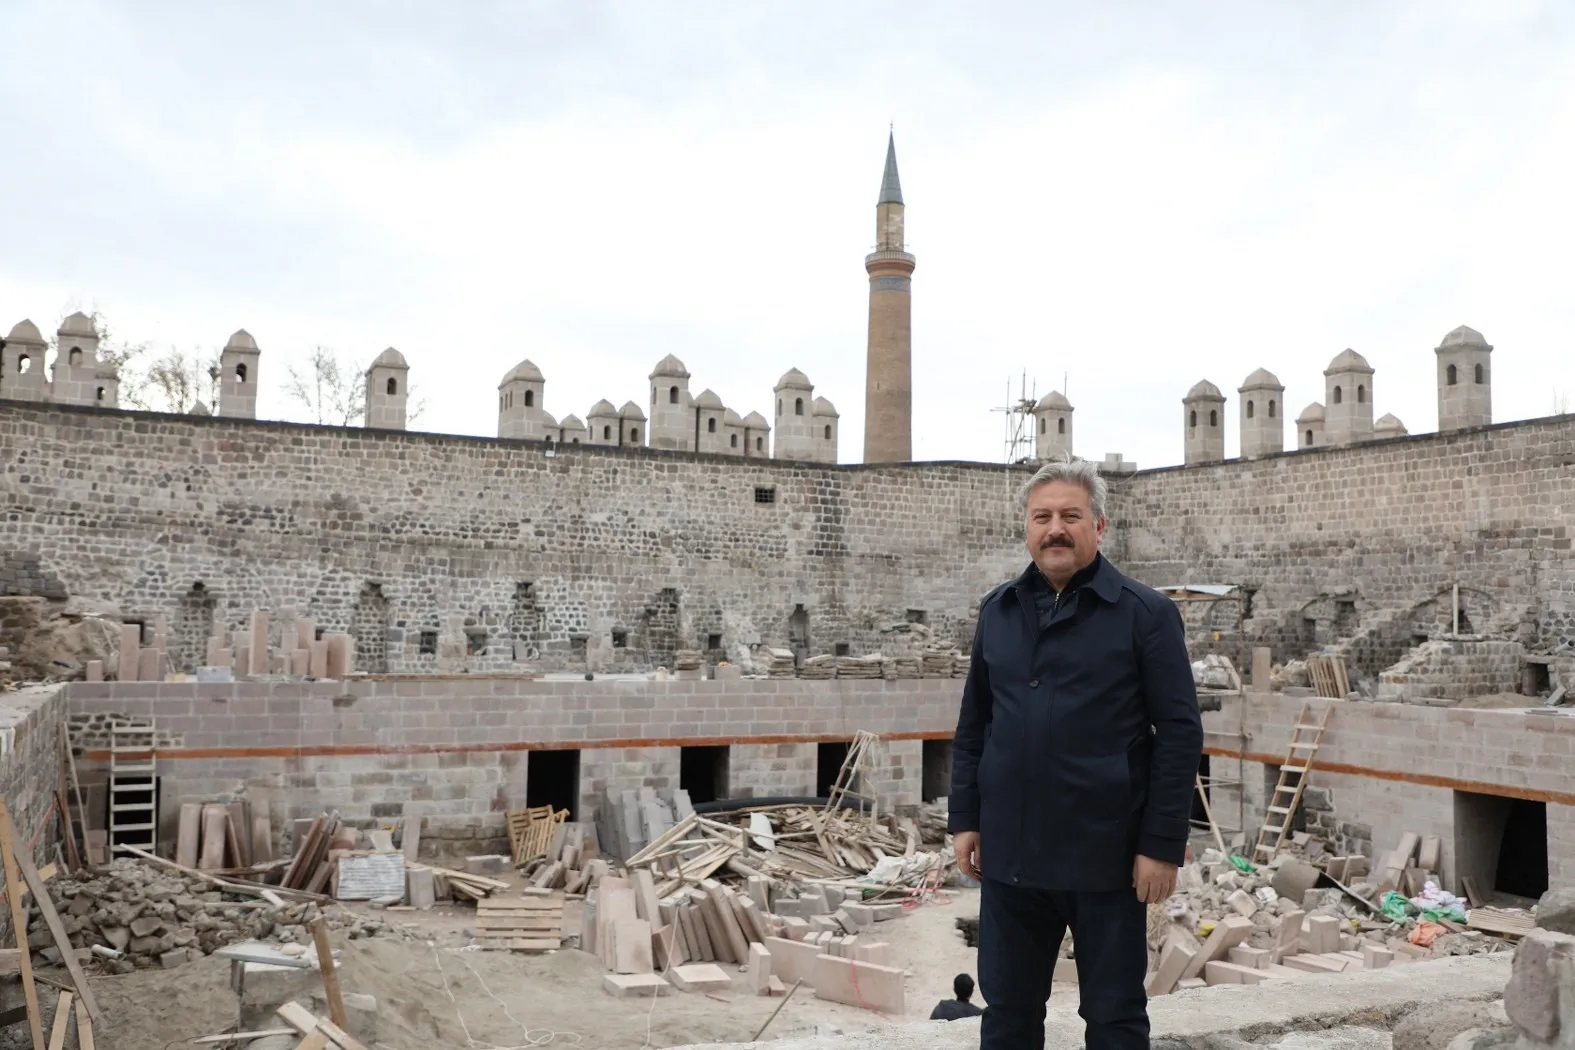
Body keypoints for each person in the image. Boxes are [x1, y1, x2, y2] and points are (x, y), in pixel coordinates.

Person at [949, 458, 1203, 1050]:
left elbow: (1180, 732)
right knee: (1008, 1014)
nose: (1055, 528)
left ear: (1099, 525)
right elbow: (974, 723)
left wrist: (1160, 845)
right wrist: (965, 818)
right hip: (1011, 855)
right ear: (1027, 529)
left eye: (1070, 515)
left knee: (1114, 1016)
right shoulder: (999, 611)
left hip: (1106, 857)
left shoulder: (1145, 615)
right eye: (1043, 517)